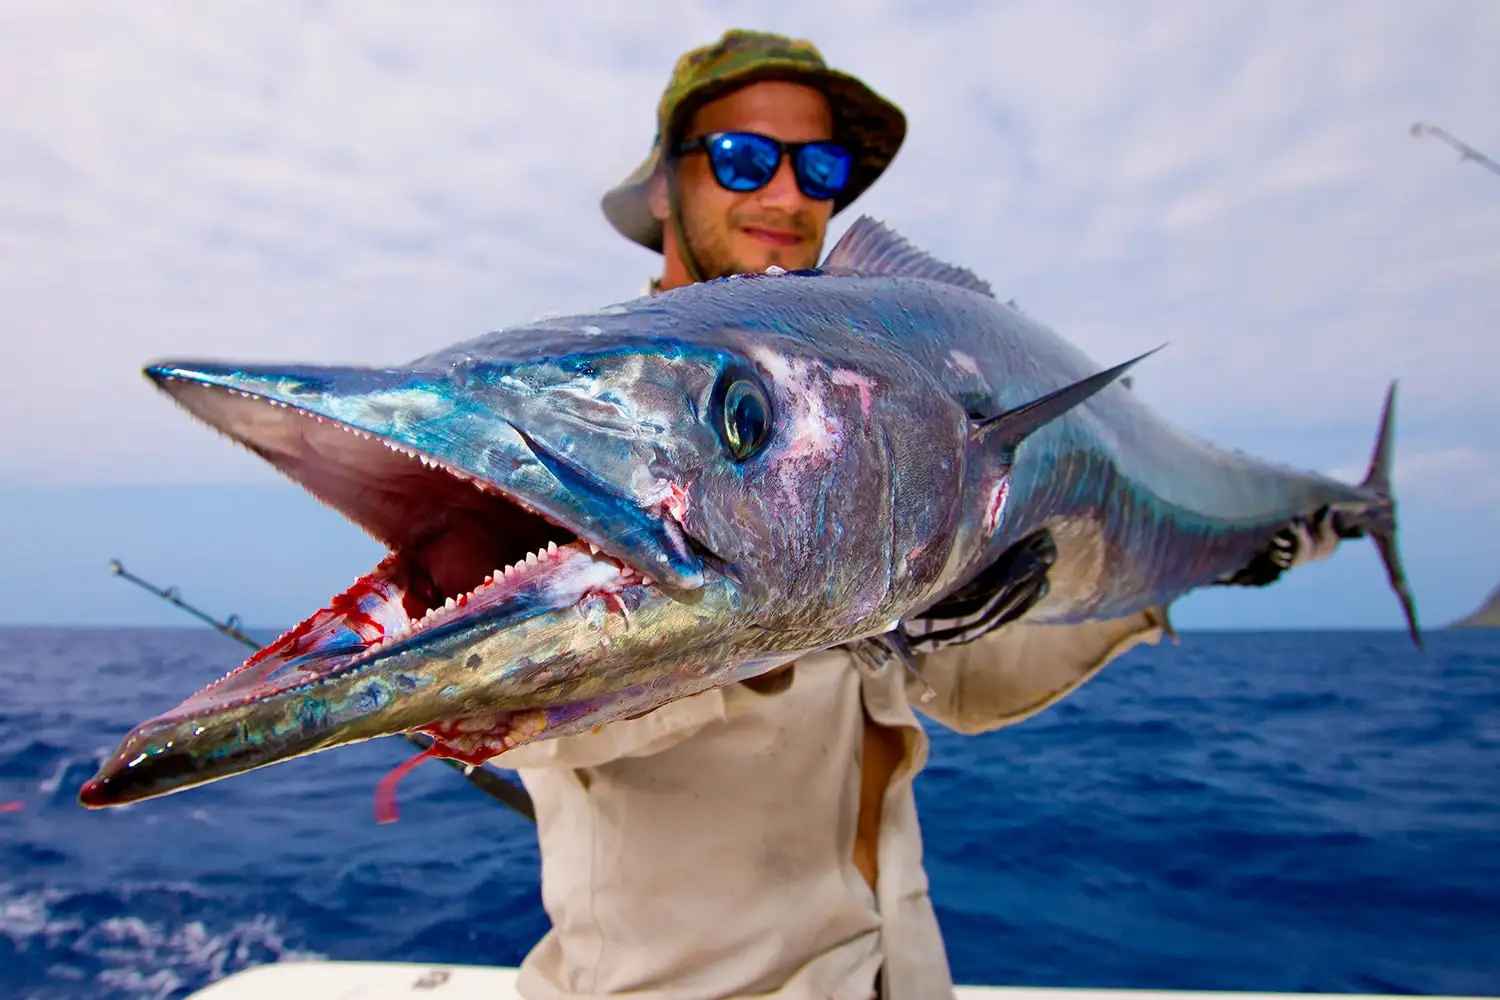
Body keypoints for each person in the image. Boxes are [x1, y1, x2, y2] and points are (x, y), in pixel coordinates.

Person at [499, 28, 1346, 1000]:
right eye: (740, 157)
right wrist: (767, 596)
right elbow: (522, 714)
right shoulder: (581, 420)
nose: (785, 197)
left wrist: (1183, 574)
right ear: (663, 187)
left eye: (817, 167)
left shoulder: (879, 419)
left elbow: (966, 684)